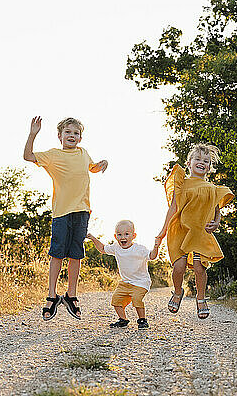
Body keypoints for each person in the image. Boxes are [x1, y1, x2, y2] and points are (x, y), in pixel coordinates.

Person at [23, 116, 108, 321]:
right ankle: (52, 295)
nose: (72, 136)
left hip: (82, 211)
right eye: (68, 132)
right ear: (60, 136)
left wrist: (102, 163)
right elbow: (27, 156)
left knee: (76, 254)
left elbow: (92, 167)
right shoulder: (53, 155)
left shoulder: (83, 153)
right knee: (57, 254)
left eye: (76, 133)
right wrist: (33, 133)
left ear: (80, 137)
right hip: (61, 212)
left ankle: (71, 294)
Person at [156, 143, 234, 319]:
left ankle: (201, 299)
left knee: (199, 267)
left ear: (210, 167)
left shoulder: (212, 189)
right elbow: (173, 208)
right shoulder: (181, 184)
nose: (202, 162)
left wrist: (217, 223)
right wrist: (162, 232)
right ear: (189, 162)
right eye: (197, 159)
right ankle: (177, 292)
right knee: (179, 267)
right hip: (180, 229)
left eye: (206, 161)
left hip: (200, 231)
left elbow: (216, 210)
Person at [87, 220, 161, 329]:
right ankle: (123, 320)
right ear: (115, 236)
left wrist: (156, 247)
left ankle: (142, 320)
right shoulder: (116, 247)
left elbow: (152, 256)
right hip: (125, 283)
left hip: (141, 282)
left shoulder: (139, 249)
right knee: (116, 300)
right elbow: (103, 249)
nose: (123, 237)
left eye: (127, 234)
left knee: (136, 299)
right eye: (119, 234)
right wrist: (93, 238)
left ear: (133, 236)